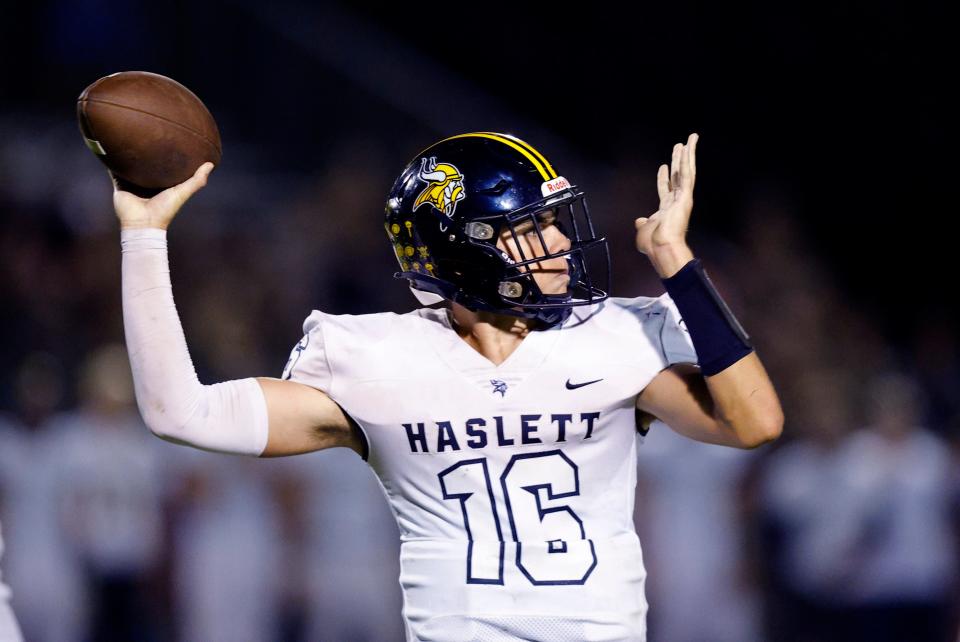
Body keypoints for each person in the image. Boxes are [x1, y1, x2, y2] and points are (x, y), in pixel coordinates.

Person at [114, 131, 783, 641]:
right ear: (465, 249)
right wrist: (144, 238)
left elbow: (753, 422)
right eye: (531, 228)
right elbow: (183, 413)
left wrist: (677, 263)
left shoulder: (613, 335)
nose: (558, 242)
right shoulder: (374, 358)